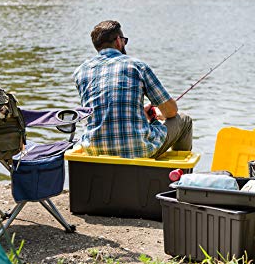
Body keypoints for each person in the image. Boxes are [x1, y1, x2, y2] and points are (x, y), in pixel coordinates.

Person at [73, 20, 192, 159]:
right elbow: (171, 111)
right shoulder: (137, 66)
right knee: (184, 120)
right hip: (138, 150)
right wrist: (154, 118)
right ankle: (179, 176)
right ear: (118, 41)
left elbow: (102, 110)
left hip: (93, 150)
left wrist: (141, 114)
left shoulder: (81, 71)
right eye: (124, 41)